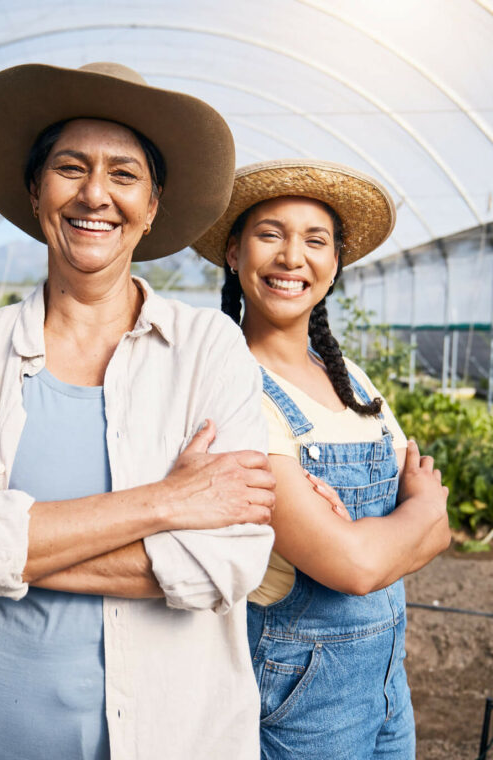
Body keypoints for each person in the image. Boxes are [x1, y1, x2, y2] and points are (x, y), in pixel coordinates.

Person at [0, 62, 278, 760]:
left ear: (152, 206)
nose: (95, 194)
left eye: (124, 175)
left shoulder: (209, 346)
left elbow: (230, 561)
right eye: (70, 168)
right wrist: (167, 502)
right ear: (36, 193)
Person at [193, 158, 451, 759]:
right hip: (300, 690)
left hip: (389, 679)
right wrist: (414, 519)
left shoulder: (349, 378)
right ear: (234, 253)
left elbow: (434, 531)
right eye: (270, 234)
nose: (291, 257)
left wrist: (389, 532)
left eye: (315, 240)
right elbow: (356, 567)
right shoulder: (231, 388)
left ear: (334, 264)